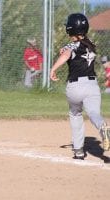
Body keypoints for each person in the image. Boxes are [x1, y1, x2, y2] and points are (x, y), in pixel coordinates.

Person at [50, 13, 110, 160]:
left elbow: (66, 55)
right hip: (92, 86)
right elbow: (79, 47)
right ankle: (102, 126)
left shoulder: (71, 45)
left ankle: (78, 150)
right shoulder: (92, 45)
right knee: (94, 113)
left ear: (70, 29)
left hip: (75, 86)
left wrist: (53, 69)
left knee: (75, 114)